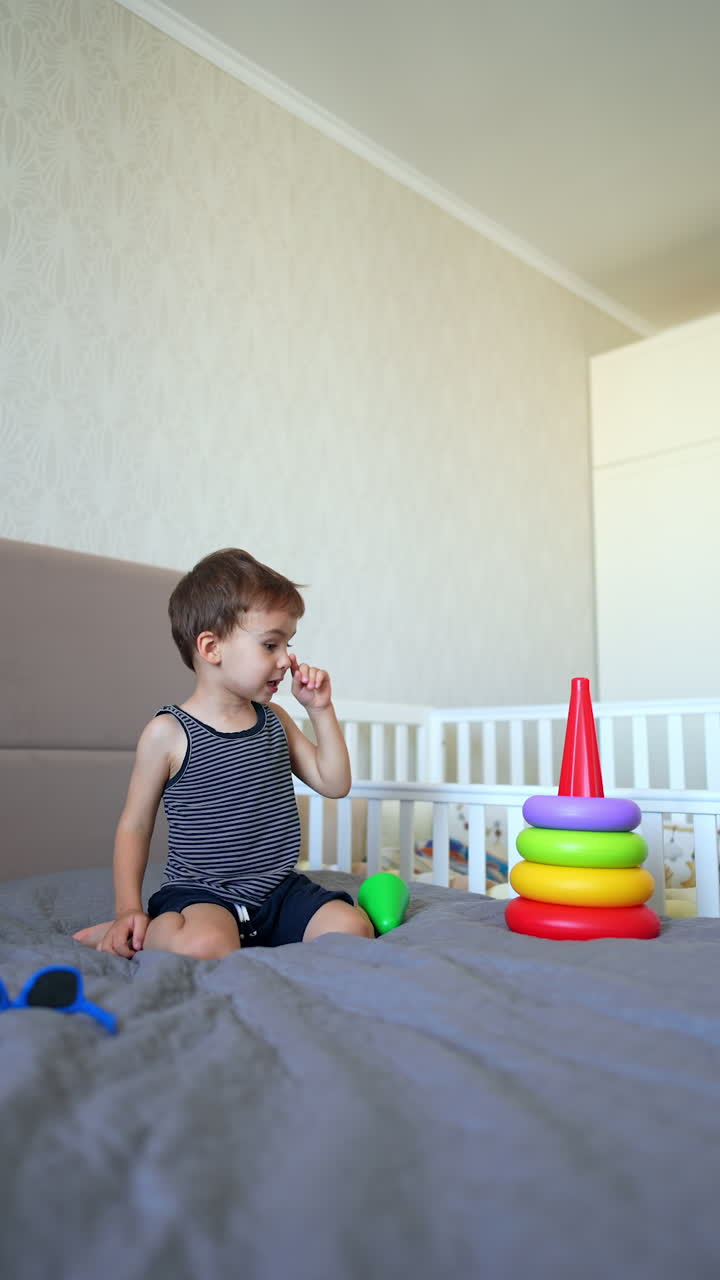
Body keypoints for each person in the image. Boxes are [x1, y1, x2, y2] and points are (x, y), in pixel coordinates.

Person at [73, 547, 373, 958]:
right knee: (207, 944)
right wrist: (128, 908)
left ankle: (254, 932)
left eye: (288, 644)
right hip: (202, 894)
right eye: (271, 644)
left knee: (353, 929)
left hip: (277, 889)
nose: (287, 660)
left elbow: (335, 784)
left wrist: (320, 710)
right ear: (211, 648)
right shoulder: (168, 733)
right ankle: (136, 932)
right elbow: (135, 825)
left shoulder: (276, 720)